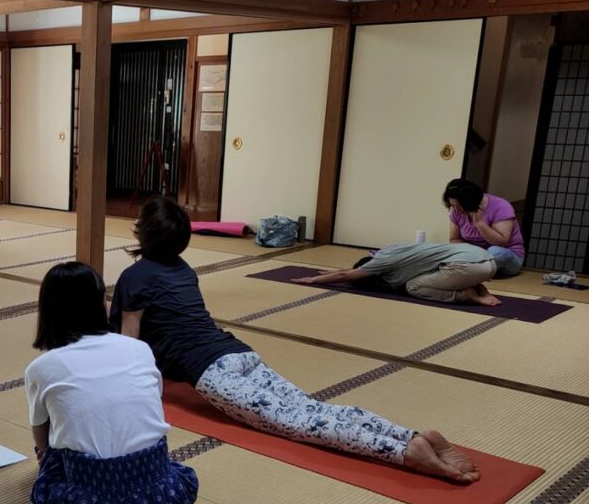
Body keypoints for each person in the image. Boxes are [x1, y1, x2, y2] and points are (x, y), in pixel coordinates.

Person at [111, 196, 480, 484]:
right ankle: (410, 435)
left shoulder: (135, 276)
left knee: (297, 423)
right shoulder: (183, 270)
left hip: (211, 372)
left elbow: (129, 343)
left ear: (143, 233)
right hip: (238, 352)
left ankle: (404, 452)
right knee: (310, 408)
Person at [26, 262, 199, 504]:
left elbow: (41, 441)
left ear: (48, 311)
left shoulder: (41, 368)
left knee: (52, 448)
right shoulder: (139, 349)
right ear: (100, 303)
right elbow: (152, 404)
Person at [292, 242, 502, 306]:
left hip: (466, 268)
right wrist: (337, 271)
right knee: (432, 273)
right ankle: (479, 288)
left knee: (413, 286)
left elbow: (346, 277)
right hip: (487, 260)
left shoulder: (381, 264)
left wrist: (313, 279)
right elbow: (352, 272)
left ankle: (467, 295)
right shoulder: (388, 252)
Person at [444, 178, 526, 277]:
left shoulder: (501, 206)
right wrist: (471, 252)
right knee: (443, 251)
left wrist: (480, 223)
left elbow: (501, 242)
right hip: (474, 255)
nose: (456, 209)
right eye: (453, 205)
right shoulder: (456, 211)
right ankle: (473, 271)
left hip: (507, 255)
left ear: (469, 202)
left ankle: (470, 271)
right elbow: (454, 239)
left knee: (496, 252)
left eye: (459, 206)